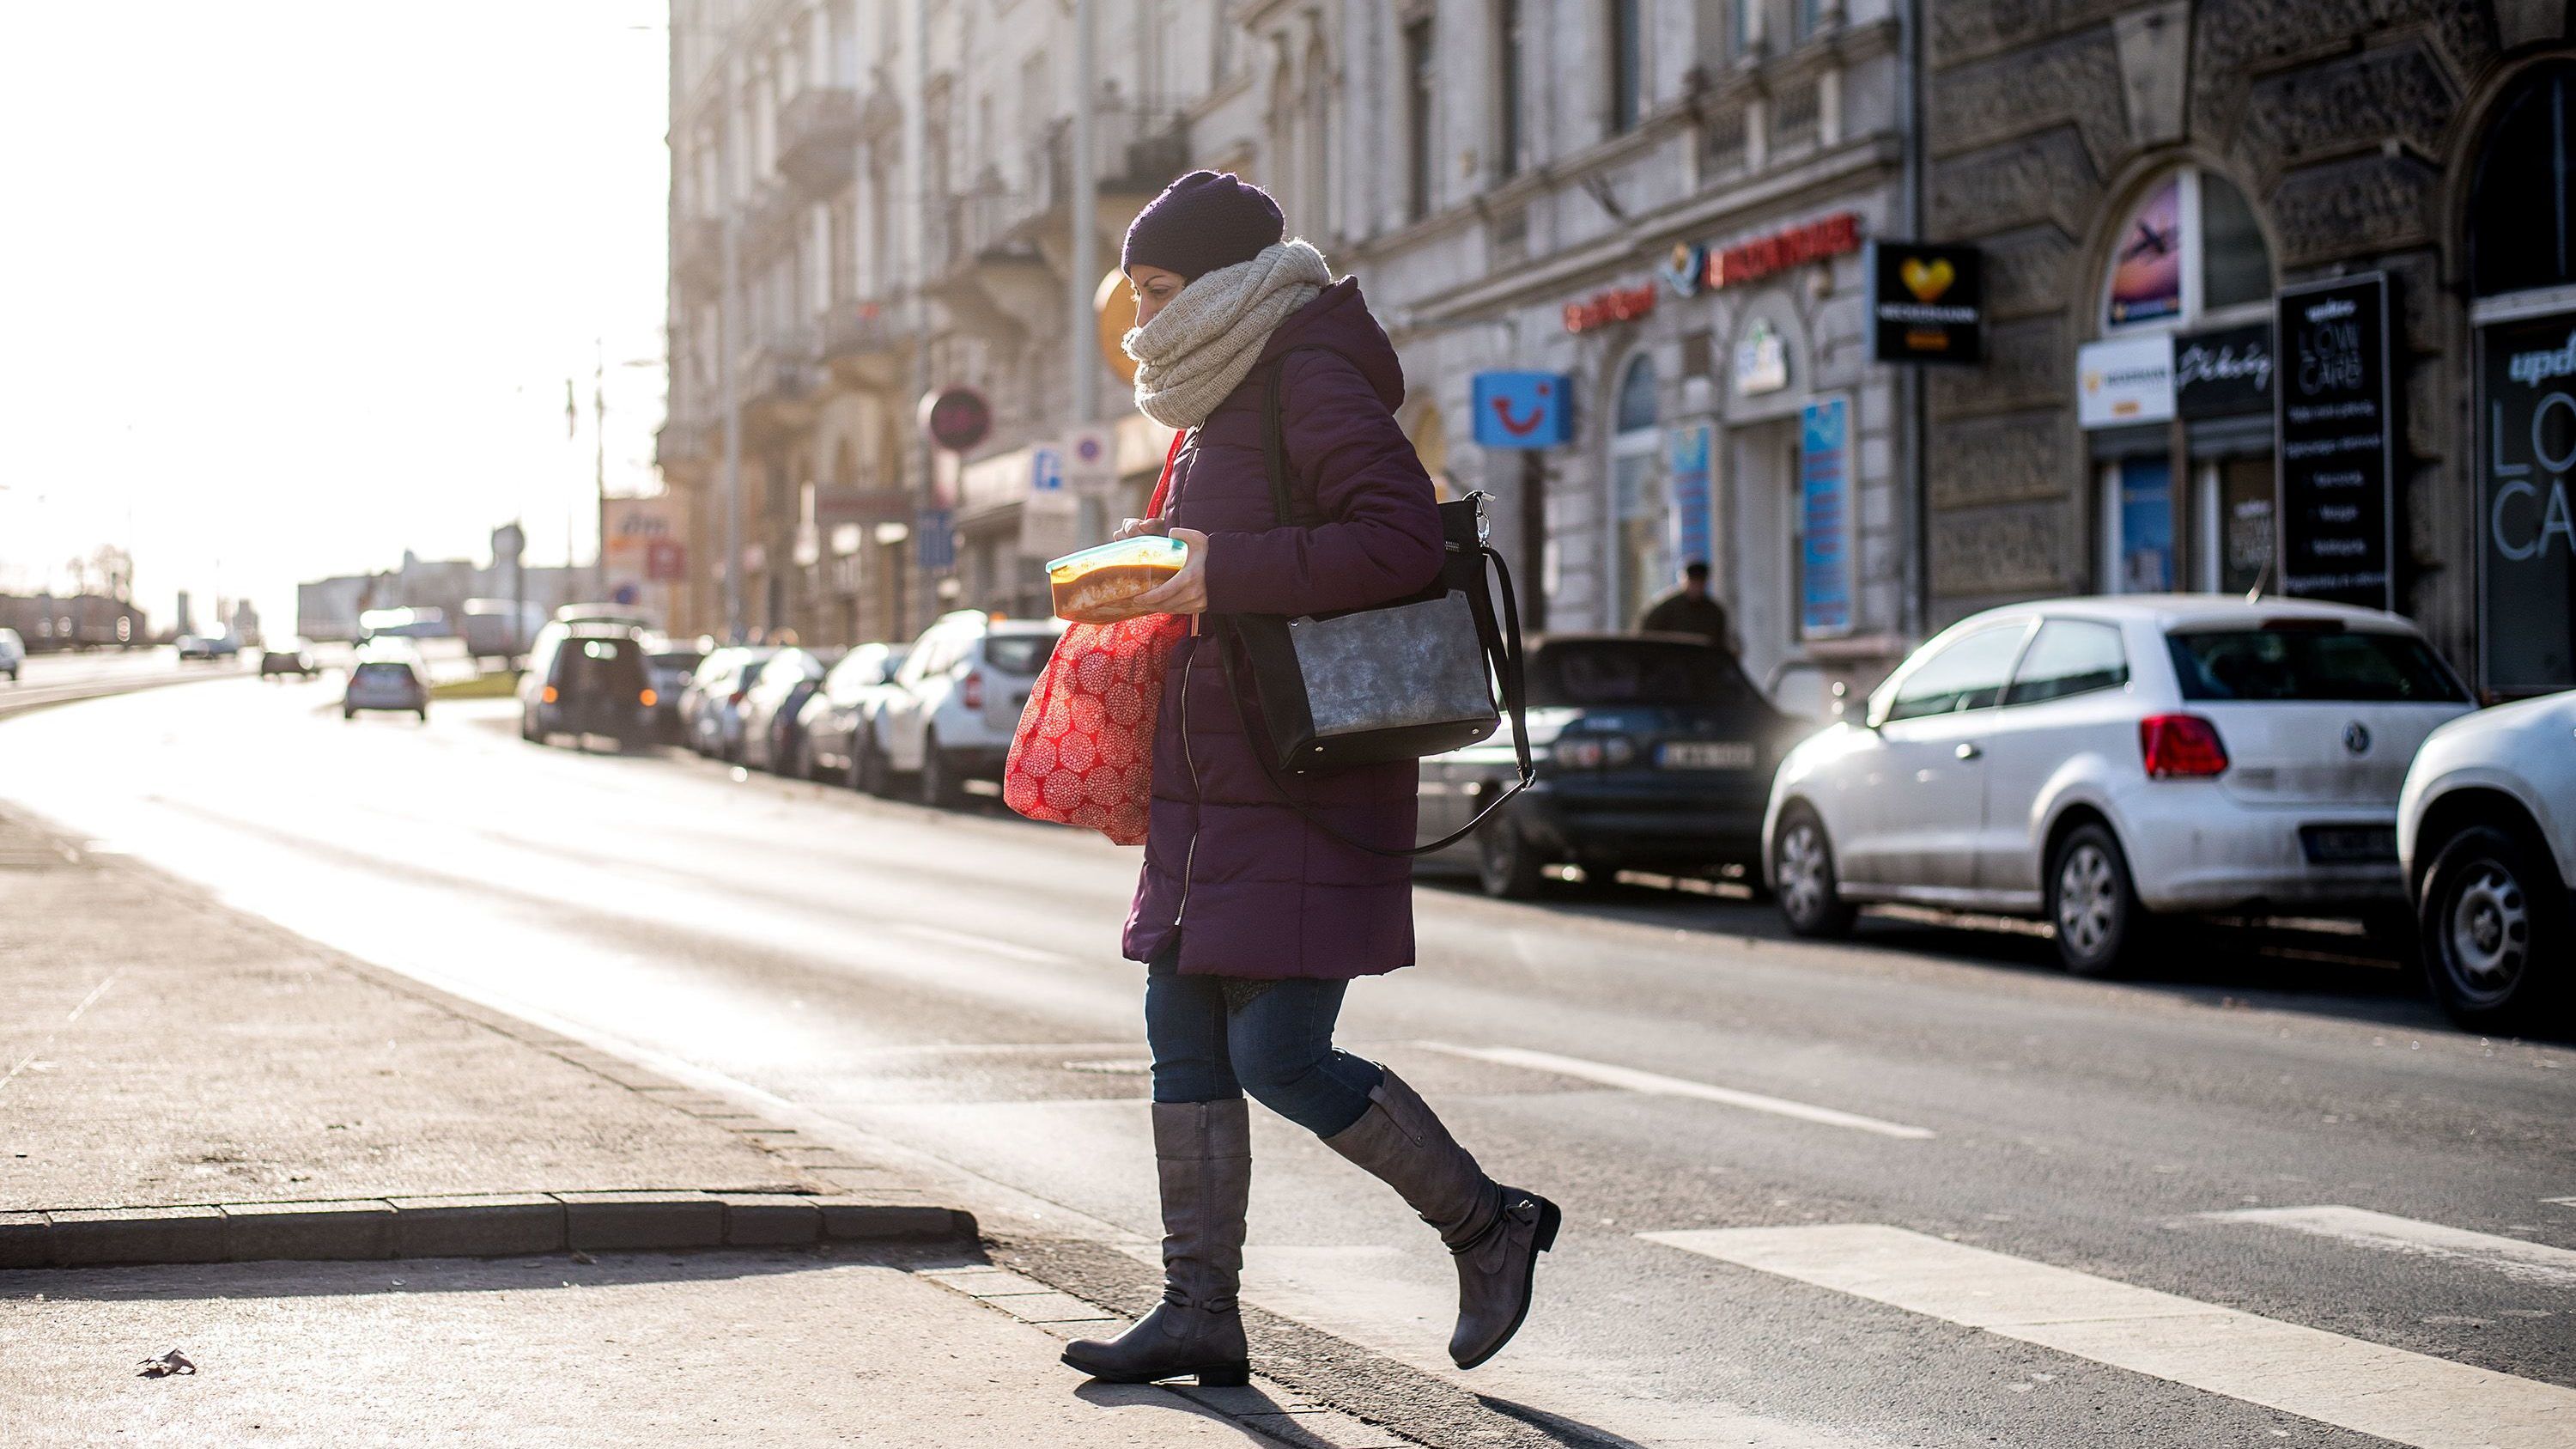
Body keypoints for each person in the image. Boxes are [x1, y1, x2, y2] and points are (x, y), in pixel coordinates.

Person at [1059, 172, 1561, 1390]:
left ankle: (1489, 1223)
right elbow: (1215, 567)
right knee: (1180, 1032)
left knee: (1279, 1048)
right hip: (1211, 780)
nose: (1144, 320)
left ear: (1228, 281)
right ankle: (1197, 1310)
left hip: (1305, 771)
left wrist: (1222, 569)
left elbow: (1396, 539)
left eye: (1164, 290)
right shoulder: (1209, 394)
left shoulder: (1305, 370)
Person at [1640, 560, 1738, 654]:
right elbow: (1646, 636)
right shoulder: (1665, 608)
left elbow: (1723, 642)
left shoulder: (1714, 611)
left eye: (1699, 582)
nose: (1696, 586)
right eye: (1692, 581)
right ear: (1684, 580)